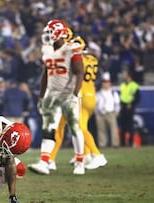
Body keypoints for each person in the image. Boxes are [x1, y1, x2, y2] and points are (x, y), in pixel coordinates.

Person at [28, 20, 85, 175]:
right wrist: (41, 96)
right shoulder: (46, 50)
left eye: (50, 32)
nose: (47, 35)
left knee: (74, 128)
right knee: (48, 130)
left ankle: (80, 162)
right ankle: (44, 162)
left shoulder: (71, 48)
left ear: (59, 32)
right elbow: (45, 74)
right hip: (52, 96)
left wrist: (74, 93)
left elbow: (80, 71)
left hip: (68, 94)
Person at [48, 36, 107, 171]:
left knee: (79, 128)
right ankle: (86, 155)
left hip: (81, 95)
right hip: (92, 95)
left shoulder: (77, 60)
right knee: (80, 127)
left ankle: (97, 154)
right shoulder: (92, 59)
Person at [96, 72, 120, 148]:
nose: (106, 84)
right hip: (100, 114)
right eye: (104, 82)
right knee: (101, 130)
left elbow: (117, 103)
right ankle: (102, 144)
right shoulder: (98, 93)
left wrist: (116, 112)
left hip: (111, 113)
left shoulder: (113, 93)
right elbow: (96, 104)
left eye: (107, 82)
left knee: (114, 129)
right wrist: (96, 112)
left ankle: (115, 144)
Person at [119, 70, 140, 146]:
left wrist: (132, 103)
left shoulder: (134, 86)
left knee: (130, 126)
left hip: (130, 107)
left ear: (129, 77)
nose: (124, 77)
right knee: (123, 126)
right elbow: (121, 96)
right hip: (123, 107)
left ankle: (131, 142)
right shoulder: (122, 85)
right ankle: (122, 143)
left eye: (126, 76)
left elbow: (137, 98)